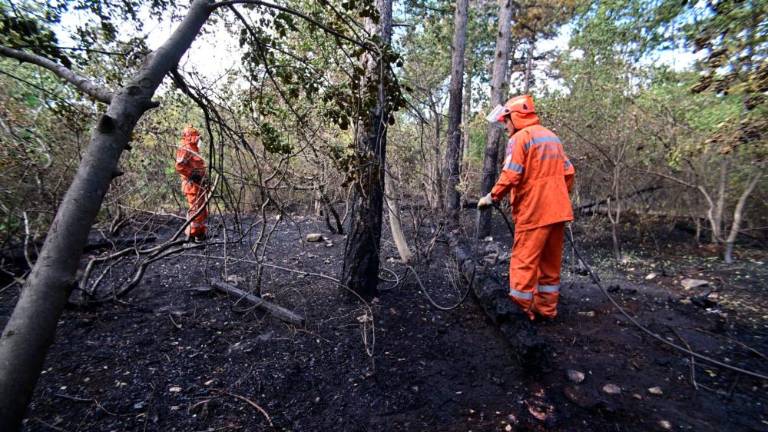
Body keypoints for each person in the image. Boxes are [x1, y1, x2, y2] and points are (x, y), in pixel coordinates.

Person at [478, 95, 575, 320]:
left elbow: (511, 173)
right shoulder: (552, 137)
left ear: (516, 117)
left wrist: (492, 197)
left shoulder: (521, 138)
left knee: (524, 261)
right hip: (558, 211)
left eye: (506, 121)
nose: (505, 126)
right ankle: (547, 310)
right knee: (549, 264)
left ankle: (520, 313)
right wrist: (556, 195)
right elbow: (569, 172)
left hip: (534, 212)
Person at [175, 125, 208, 242]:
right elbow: (179, 167)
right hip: (191, 186)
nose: (199, 139)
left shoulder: (194, 148)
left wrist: (204, 178)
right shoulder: (185, 148)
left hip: (199, 185)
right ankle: (190, 237)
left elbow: (199, 166)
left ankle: (200, 235)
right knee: (195, 212)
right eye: (196, 137)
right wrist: (191, 174)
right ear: (190, 137)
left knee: (202, 211)